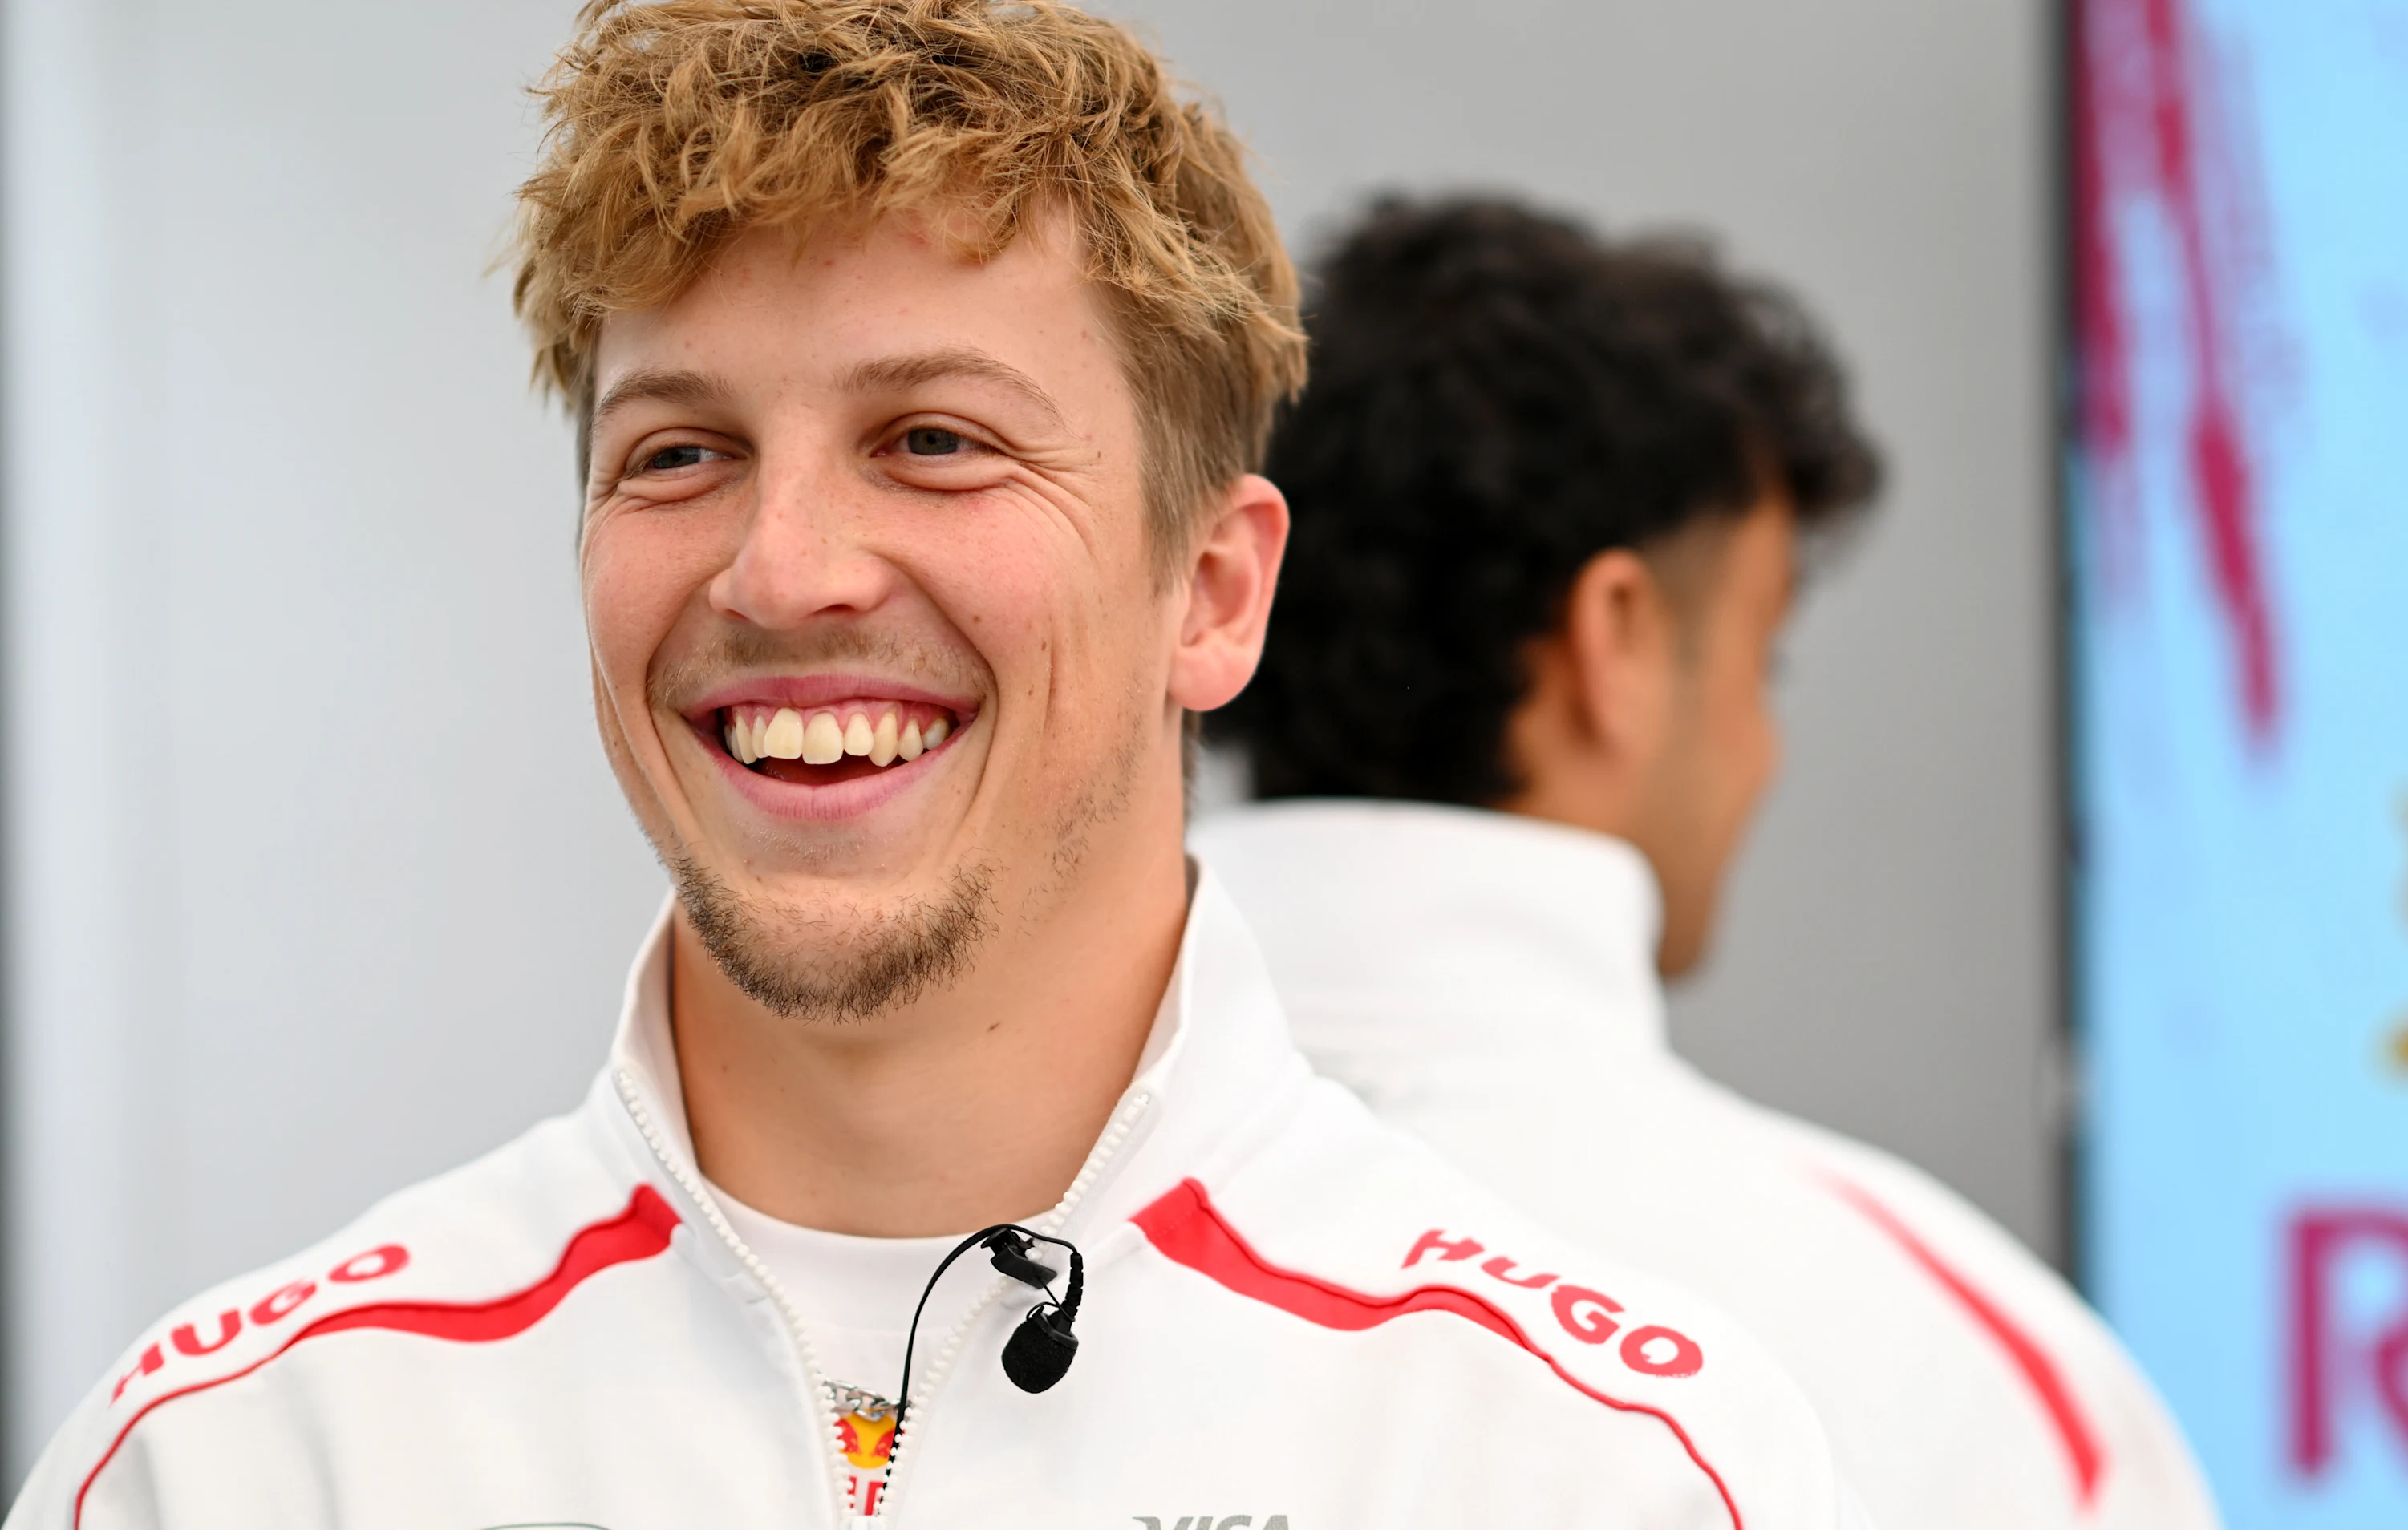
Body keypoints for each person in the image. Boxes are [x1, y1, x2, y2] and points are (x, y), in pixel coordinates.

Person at [6, 16, 1865, 1528]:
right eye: (676, 455)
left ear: (1210, 592)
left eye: (935, 438)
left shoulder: (1595, 1472)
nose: (780, 567)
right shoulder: (244, 1464)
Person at [1195, 196, 2223, 1530]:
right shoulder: (1958, 1374)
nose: (1765, 753)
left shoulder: (904, 1264)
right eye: (1763, 660)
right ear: (1614, 638)